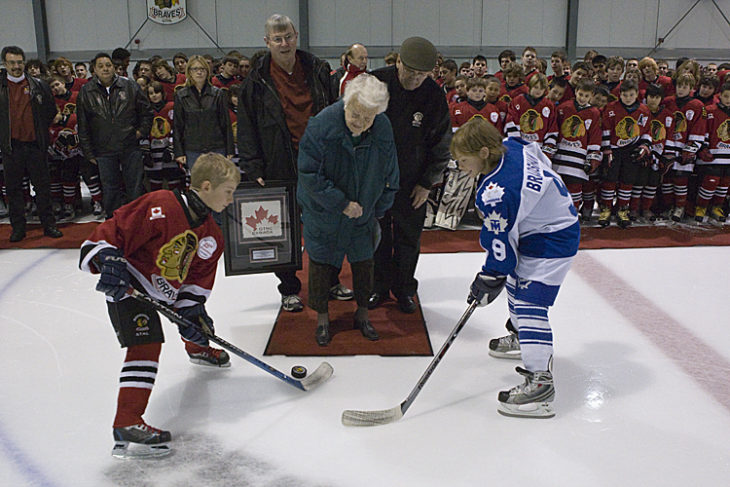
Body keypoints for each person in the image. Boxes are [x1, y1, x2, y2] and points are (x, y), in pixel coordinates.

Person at [79, 153, 240, 458]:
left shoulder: (211, 236)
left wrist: (193, 315)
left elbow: (194, 285)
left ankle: (197, 348)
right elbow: (109, 234)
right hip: (131, 286)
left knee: (193, 321)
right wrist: (108, 259)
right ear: (206, 186)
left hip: (163, 291)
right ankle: (126, 421)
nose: (231, 200)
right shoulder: (162, 205)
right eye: (229, 191)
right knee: (147, 344)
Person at [452, 117, 580, 418]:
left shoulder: (497, 193)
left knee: (529, 303)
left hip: (552, 240)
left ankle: (540, 385)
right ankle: (522, 336)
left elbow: (501, 250)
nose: (460, 167)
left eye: (463, 160)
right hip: (546, 225)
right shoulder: (512, 145)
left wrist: (488, 277)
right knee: (515, 283)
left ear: (483, 152)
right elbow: (539, 156)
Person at [237, 13, 341, 313]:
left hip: (320, 162)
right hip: (278, 164)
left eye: (289, 37)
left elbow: (335, 114)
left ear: (297, 36)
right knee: (283, 232)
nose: (285, 44)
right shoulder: (255, 82)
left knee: (327, 228)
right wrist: (253, 167)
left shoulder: (319, 70)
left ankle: (330, 280)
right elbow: (246, 128)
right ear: (267, 41)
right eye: (278, 39)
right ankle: (289, 288)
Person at [297, 74, 399, 346]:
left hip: (364, 212)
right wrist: (341, 203)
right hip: (325, 212)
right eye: (356, 114)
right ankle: (322, 317)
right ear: (346, 101)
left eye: (369, 117)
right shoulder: (321, 125)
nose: (362, 122)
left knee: (365, 264)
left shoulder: (382, 126)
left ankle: (362, 314)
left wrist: (379, 207)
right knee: (320, 264)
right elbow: (308, 175)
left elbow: (391, 172)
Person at [368, 36, 452, 313]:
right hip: (376, 179)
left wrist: (427, 183)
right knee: (377, 237)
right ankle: (377, 287)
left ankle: (404, 289)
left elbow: (441, 143)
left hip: (413, 180)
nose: (415, 79)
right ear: (398, 62)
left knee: (408, 237)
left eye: (421, 74)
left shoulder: (433, 95)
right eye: (410, 72)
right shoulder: (376, 83)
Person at [76, 52, 153, 219]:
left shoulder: (130, 86)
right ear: (94, 70)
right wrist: (88, 152)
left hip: (130, 145)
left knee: (135, 187)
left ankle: (137, 220)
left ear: (114, 68)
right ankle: (113, 222)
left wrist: (140, 132)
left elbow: (146, 113)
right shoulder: (86, 91)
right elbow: (83, 125)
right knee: (110, 189)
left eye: (108, 65)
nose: (105, 69)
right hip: (103, 149)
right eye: (101, 66)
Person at [0, 45, 63, 242]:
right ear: (4, 63)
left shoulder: (39, 85)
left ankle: (48, 224)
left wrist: (40, 132)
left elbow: (50, 112)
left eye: (19, 62)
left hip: (36, 145)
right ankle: (18, 227)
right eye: (12, 63)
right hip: (12, 147)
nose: (17, 66)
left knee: (43, 187)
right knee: (14, 189)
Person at [597, 80, 652, 228]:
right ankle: (606, 208)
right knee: (610, 179)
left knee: (627, 181)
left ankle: (623, 209)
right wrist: (606, 149)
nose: (628, 97)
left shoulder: (644, 111)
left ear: (637, 94)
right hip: (614, 150)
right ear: (620, 94)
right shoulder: (611, 108)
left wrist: (644, 147)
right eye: (625, 94)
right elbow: (606, 130)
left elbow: (646, 132)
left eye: (631, 95)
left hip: (631, 151)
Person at [552, 78, 603, 220]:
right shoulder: (564, 108)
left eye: (586, 96)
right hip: (560, 156)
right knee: (559, 185)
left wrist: (592, 157)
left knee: (575, 187)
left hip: (579, 159)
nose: (583, 98)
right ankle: (557, 213)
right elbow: (555, 128)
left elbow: (594, 136)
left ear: (591, 96)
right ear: (575, 92)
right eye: (580, 94)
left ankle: (572, 213)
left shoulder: (594, 113)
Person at [173, 55, 234, 173]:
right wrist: (179, 152)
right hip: (192, 148)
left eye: (202, 69)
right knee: (199, 186)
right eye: (195, 69)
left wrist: (230, 149)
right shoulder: (181, 95)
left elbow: (225, 123)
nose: (199, 72)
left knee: (217, 183)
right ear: (189, 72)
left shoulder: (218, 94)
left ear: (208, 71)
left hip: (216, 147)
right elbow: (177, 126)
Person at [693, 81, 730, 223]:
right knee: (710, 182)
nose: (728, 99)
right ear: (720, 95)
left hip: (728, 157)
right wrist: (703, 148)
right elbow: (704, 130)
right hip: (713, 156)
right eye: (726, 96)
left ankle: (716, 206)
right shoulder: (710, 110)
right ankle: (701, 207)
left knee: (725, 183)